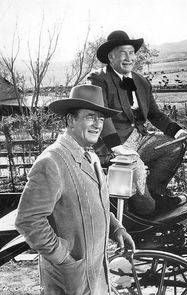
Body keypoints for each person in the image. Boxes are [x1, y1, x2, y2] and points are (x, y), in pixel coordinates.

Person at [15, 84, 135, 295]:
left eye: (100, 118)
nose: (97, 124)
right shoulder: (52, 162)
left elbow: (92, 204)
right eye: (90, 117)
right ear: (71, 120)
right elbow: (28, 220)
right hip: (70, 279)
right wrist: (62, 255)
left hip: (95, 276)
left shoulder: (93, 158)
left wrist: (116, 228)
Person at [87, 30, 187, 216]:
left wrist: (179, 132)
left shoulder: (141, 82)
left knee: (176, 145)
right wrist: (117, 147)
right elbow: (100, 115)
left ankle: (155, 192)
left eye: (131, 53)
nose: (129, 58)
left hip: (139, 139)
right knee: (146, 205)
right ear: (110, 56)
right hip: (113, 145)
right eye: (123, 53)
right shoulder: (98, 79)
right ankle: (143, 211)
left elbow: (155, 115)